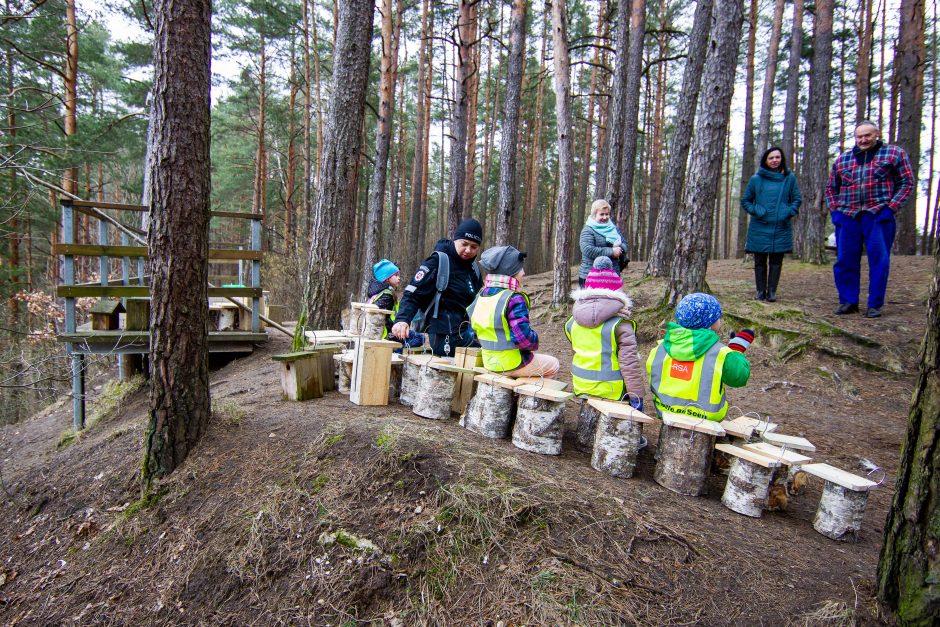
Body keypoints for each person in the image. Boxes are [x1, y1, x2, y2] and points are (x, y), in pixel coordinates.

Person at [826, 120, 914, 318]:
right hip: (848, 215)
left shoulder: (894, 154)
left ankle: (874, 304)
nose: (863, 140)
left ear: (876, 134)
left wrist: (890, 208)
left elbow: (907, 183)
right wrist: (835, 212)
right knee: (844, 260)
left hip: (878, 215)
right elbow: (831, 189)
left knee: (879, 260)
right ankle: (848, 301)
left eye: (867, 135)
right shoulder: (843, 160)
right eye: (859, 136)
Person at [645, 293, 754, 422]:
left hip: (665, 411)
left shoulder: (659, 348)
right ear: (709, 323)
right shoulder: (720, 353)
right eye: (717, 317)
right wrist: (735, 352)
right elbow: (739, 378)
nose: (720, 320)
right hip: (706, 418)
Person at [392, 218, 484, 356]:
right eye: (464, 244)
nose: (468, 250)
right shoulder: (438, 262)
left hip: (466, 332)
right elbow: (413, 294)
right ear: (455, 240)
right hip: (442, 336)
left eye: (474, 247)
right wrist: (402, 320)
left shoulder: (474, 270)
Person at [565, 256, 646, 409]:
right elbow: (629, 364)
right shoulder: (621, 325)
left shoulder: (571, 322)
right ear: (617, 293)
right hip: (612, 391)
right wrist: (637, 396)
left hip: (581, 385)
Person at [468, 245, 560, 378]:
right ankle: (527, 395)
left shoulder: (481, 295)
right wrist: (535, 339)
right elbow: (524, 339)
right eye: (520, 269)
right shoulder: (513, 298)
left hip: (489, 362)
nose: (523, 273)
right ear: (511, 272)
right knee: (553, 364)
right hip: (512, 363)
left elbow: (474, 332)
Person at [741, 146, 802, 302]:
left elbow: (796, 199)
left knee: (776, 261)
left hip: (780, 226)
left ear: (782, 159)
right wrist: (757, 210)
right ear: (765, 160)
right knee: (760, 261)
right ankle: (760, 291)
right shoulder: (756, 179)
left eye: (777, 157)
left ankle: (772, 291)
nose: (775, 160)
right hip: (759, 226)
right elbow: (746, 201)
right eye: (771, 158)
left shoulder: (789, 178)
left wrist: (788, 211)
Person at [366, 258, 424, 348]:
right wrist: (396, 329)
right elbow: (383, 318)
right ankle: (397, 350)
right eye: (396, 275)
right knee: (420, 338)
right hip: (386, 333)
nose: (399, 278)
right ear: (387, 278)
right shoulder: (387, 295)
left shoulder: (376, 292)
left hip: (380, 331)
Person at [578, 199, 626, 288]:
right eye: (601, 214)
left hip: (612, 275)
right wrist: (612, 252)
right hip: (590, 276)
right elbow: (588, 250)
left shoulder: (613, 228)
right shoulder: (588, 230)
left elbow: (624, 244)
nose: (605, 217)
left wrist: (620, 250)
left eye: (607, 214)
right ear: (594, 215)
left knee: (611, 301)